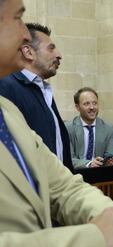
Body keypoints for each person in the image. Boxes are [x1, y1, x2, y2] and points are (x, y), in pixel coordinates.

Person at [0, 1, 113, 247]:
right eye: (18, 18)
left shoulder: (7, 112)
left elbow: (63, 185)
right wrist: (97, 238)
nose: (23, 35)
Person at [0, 22, 73, 171]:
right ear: (28, 52)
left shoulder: (42, 89)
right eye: (51, 48)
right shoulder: (6, 86)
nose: (59, 55)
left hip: (54, 189)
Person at [66, 87, 113, 169]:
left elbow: (111, 155)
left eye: (95, 103)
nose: (92, 107)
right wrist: (89, 163)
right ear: (77, 107)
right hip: (75, 175)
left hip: (101, 175)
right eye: (86, 104)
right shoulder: (67, 128)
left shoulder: (109, 129)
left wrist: (110, 162)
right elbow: (67, 159)